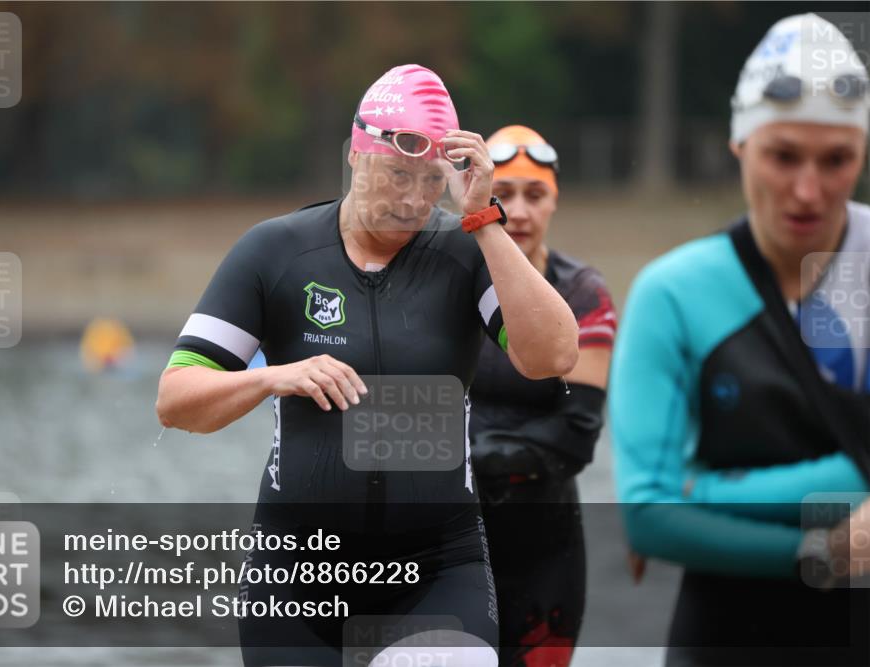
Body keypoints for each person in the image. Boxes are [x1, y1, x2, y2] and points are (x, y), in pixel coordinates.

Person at [156, 64, 579, 667]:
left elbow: (553, 357)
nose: (413, 200)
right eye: (398, 174)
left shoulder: (463, 252)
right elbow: (175, 401)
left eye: (430, 181)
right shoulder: (275, 252)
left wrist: (484, 221)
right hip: (297, 575)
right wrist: (272, 377)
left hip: (437, 569)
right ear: (356, 154)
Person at [611, 13, 870, 667]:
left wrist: (704, 498)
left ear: (862, 153)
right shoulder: (674, 293)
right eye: (783, 156)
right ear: (739, 145)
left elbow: (667, 505)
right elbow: (647, 516)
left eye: (836, 160)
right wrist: (823, 552)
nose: (808, 190)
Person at [468, 125, 615, 667]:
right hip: (445, 541)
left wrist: (468, 456)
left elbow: (575, 435)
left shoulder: (583, 294)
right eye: (503, 194)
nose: (520, 212)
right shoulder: (445, 282)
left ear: (555, 200)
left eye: (536, 194)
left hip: (541, 547)